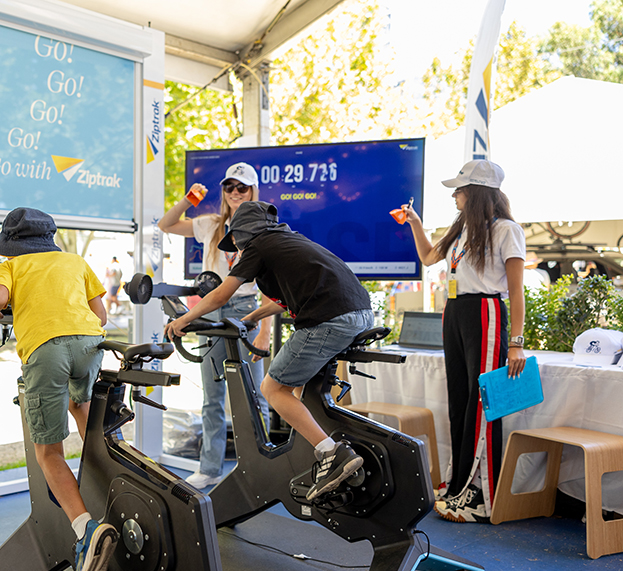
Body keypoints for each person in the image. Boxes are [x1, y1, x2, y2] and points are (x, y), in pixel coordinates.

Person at [164, 201, 375, 502]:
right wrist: (252, 317)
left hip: (329, 319)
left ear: (243, 232)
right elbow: (282, 300)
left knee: (272, 389)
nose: (234, 247)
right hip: (360, 315)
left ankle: (333, 454)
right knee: (299, 387)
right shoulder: (290, 241)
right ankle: (320, 450)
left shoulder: (258, 245)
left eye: (234, 240)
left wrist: (183, 319)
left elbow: (223, 293)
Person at [0, 207, 119, 571]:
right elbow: (100, 313)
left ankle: (86, 530)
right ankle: (113, 486)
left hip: (45, 350)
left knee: (49, 453)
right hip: (91, 345)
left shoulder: (12, 267)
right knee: (82, 409)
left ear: (12, 245)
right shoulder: (75, 261)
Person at [399, 159, 526, 524]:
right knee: (460, 400)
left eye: (460, 188)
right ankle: (459, 485)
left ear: (476, 192)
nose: (455, 194)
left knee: (481, 400)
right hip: (455, 312)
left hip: (485, 311)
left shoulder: (506, 230)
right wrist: (416, 224)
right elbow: (427, 258)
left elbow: (516, 292)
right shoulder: (462, 231)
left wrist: (516, 341)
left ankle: (480, 494)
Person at [158, 162, 270, 489]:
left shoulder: (263, 229)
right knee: (212, 393)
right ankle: (210, 467)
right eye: (230, 187)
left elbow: (270, 287)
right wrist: (189, 199)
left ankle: (260, 469)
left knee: (252, 394)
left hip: (247, 311)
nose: (235, 193)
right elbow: (166, 225)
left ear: (253, 192)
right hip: (211, 310)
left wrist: (263, 332)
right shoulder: (209, 224)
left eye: (243, 187)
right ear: (223, 191)